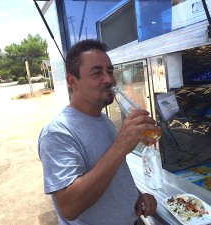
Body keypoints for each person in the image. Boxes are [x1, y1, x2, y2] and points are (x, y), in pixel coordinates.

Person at [38, 39, 159, 225]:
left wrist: (136, 196)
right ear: (72, 81)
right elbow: (69, 207)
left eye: (110, 71)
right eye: (97, 73)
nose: (109, 80)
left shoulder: (102, 119)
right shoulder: (57, 133)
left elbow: (113, 173)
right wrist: (120, 146)